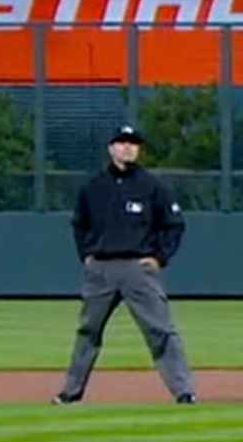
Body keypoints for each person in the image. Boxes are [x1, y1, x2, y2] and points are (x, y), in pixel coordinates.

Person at [52, 124, 197, 406]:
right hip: (101, 270)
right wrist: (86, 256)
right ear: (111, 148)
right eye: (121, 142)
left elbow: (174, 225)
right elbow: (79, 225)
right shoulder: (93, 187)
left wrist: (159, 257)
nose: (127, 147)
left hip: (137, 269)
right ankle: (70, 392)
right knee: (87, 332)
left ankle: (184, 391)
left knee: (160, 331)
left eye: (132, 143)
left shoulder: (152, 186)